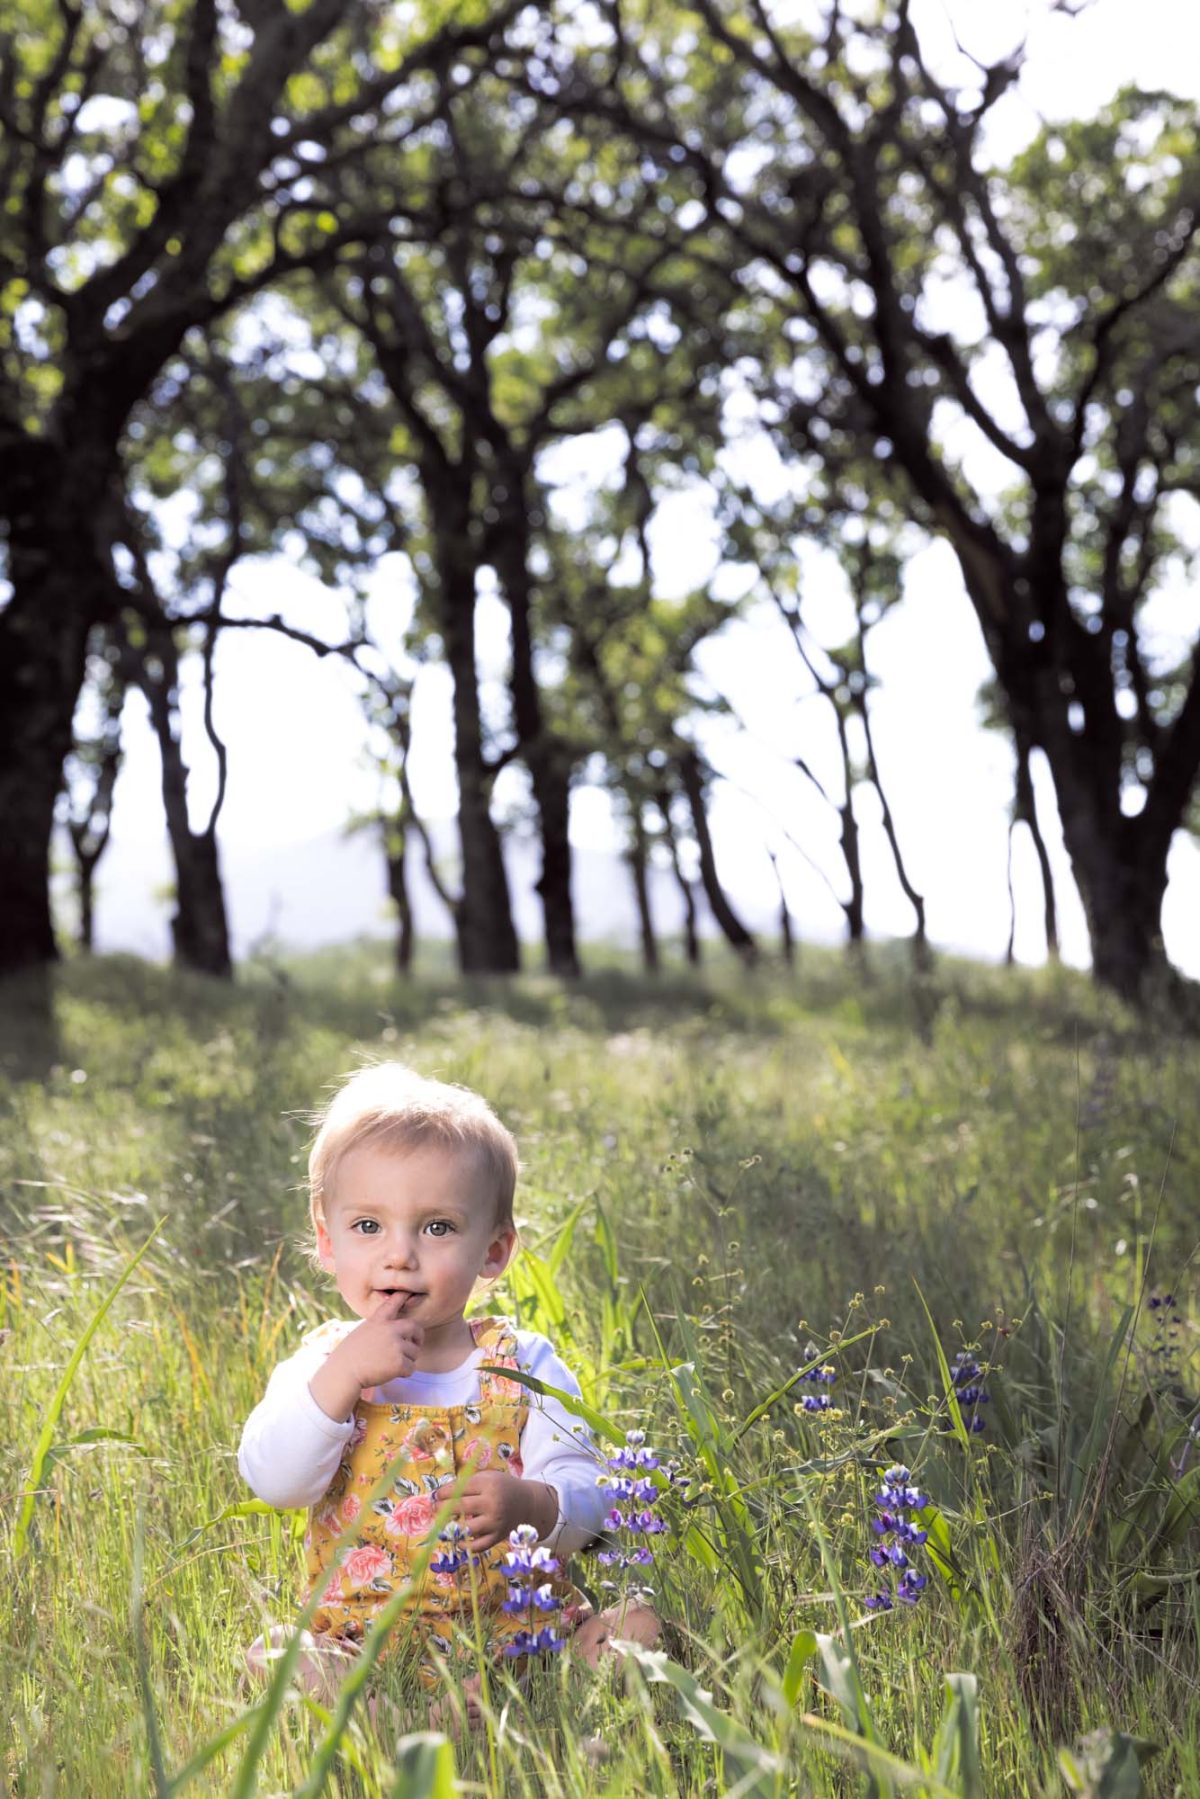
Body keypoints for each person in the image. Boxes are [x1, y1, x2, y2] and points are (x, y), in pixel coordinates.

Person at [239, 1062, 659, 1722]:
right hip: (361, 1643)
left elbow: (594, 1495)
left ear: (493, 1252)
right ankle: (397, 1716)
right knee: (276, 1661)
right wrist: (343, 1378)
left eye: (436, 1227)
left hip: (524, 1635)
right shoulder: (321, 1363)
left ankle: (516, 1699)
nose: (399, 1255)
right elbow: (274, 1480)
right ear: (327, 1239)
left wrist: (538, 1504)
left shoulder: (524, 1363)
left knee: (638, 1626)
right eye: (368, 1226)